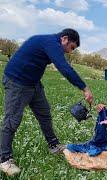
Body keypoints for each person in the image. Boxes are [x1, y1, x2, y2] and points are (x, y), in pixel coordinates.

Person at [0, 28, 93, 176]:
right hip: (17, 81)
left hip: (33, 83)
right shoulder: (51, 43)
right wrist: (85, 88)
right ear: (64, 39)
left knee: (44, 114)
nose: (70, 51)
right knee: (11, 121)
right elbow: (64, 68)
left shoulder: (49, 42)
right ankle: (4, 159)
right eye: (71, 47)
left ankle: (53, 145)